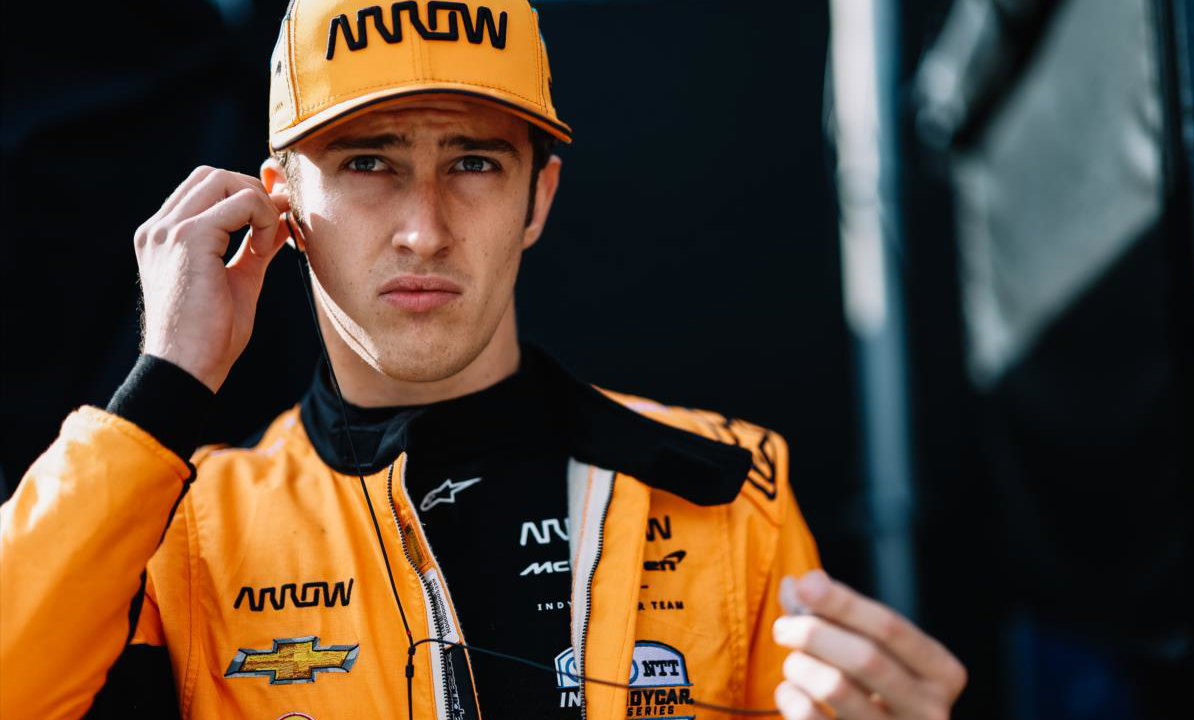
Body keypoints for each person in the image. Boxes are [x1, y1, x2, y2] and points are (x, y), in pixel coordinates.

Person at [0, 1, 967, 718]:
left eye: (472, 162)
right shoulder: (186, 531)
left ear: (538, 198)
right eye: (369, 163)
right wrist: (164, 384)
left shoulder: (726, 480)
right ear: (281, 202)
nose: (424, 230)